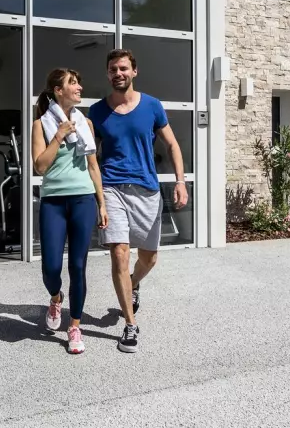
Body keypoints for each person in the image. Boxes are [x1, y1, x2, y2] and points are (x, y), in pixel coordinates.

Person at [89, 49, 187, 353]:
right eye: (112, 69)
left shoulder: (152, 106)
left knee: (149, 258)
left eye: (123, 68)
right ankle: (130, 326)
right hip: (113, 188)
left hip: (147, 190)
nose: (118, 73)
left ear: (134, 71)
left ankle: (133, 282)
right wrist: (96, 196)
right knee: (119, 252)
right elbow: (90, 156)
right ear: (107, 74)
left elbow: (172, 144)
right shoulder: (97, 111)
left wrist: (180, 182)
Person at [32, 68, 108, 355]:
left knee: (78, 266)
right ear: (58, 90)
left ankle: (74, 326)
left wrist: (102, 203)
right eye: (72, 83)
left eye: (78, 83)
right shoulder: (41, 124)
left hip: (82, 200)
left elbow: (93, 166)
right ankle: (56, 297)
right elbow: (40, 167)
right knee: (51, 268)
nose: (79, 88)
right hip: (53, 201)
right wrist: (59, 136)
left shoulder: (85, 123)